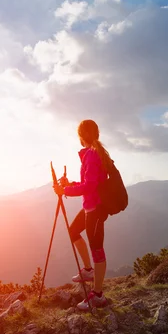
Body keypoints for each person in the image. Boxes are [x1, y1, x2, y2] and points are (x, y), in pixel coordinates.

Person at [53, 119, 110, 310]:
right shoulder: (93, 154)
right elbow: (88, 183)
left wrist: (65, 191)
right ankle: (87, 271)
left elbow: (90, 186)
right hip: (90, 206)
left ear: (81, 135)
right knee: (74, 231)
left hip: (95, 209)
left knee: (97, 248)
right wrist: (68, 185)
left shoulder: (92, 155)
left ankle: (98, 296)